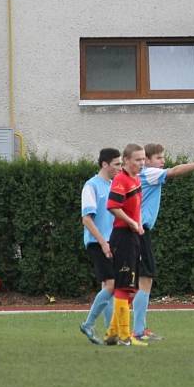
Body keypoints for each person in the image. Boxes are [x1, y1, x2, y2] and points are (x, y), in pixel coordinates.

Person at [134, 144, 194, 342]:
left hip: (137, 231)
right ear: (146, 160)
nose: (162, 161)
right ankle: (137, 329)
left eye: (162, 157)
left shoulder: (141, 176)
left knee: (140, 280)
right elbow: (174, 171)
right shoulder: (149, 174)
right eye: (158, 157)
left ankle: (138, 327)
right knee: (144, 279)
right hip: (139, 231)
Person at [104, 143, 147, 346]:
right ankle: (124, 336)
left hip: (132, 236)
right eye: (138, 159)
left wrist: (137, 224)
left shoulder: (135, 179)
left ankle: (112, 333)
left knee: (130, 287)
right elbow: (112, 206)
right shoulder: (121, 180)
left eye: (143, 159)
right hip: (122, 236)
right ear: (127, 160)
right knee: (124, 287)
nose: (142, 163)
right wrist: (131, 223)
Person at [78, 147, 122, 345]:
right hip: (98, 243)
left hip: (111, 243)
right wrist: (103, 243)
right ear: (104, 164)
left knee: (110, 287)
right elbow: (86, 219)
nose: (120, 168)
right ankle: (88, 324)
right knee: (111, 285)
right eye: (116, 164)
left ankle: (111, 333)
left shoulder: (113, 185)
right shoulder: (91, 186)